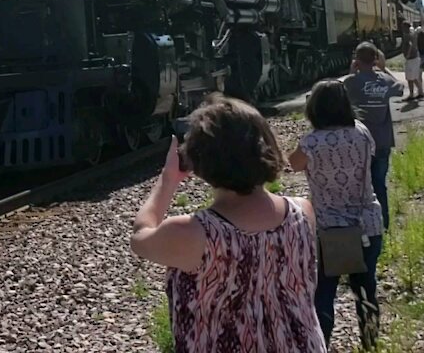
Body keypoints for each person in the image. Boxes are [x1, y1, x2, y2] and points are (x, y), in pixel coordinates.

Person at [131, 96, 326, 352]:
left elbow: (140, 236)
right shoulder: (303, 212)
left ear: (199, 159)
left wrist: (169, 179)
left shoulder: (190, 233)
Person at [290, 80, 385, 349]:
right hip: (368, 222)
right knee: (366, 288)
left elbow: (293, 164)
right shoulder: (362, 132)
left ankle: (322, 344)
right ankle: (370, 341)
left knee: (324, 292)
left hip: (330, 229)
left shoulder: (311, 142)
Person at [343, 42, 401, 229]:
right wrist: (384, 69)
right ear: (375, 59)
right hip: (383, 141)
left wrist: (353, 72)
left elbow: (342, 90)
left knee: (359, 185)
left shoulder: (351, 82)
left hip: (360, 142)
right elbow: (400, 87)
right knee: (379, 184)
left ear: (356, 60)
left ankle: (362, 224)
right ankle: (384, 224)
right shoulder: (384, 79)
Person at [400, 22, 423, 102]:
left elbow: (410, 45)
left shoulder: (407, 35)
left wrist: (408, 55)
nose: (402, 28)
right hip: (415, 57)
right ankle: (420, 92)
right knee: (414, 77)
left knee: (410, 78)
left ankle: (411, 94)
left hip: (411, 58)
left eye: (403, 27)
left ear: (406, 27)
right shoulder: (412, 34)